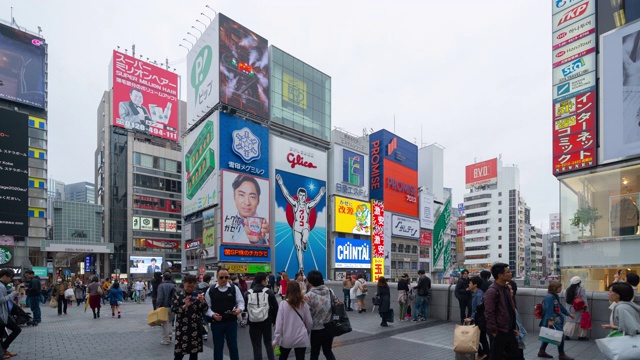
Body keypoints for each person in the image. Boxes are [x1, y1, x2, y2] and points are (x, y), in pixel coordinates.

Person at [275, 174, 326, 274]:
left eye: (303, 195)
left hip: (305, 227)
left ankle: (305, 242)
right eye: (300, 195)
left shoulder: (307, 205)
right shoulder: (295, 204)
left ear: (305, 197)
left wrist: (321, 193)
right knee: (298, 247)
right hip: (297, 227)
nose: (302, 197)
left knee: (305, 238)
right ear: (298, 196)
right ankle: (301, 266)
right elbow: (287, 195)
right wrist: (281, 184)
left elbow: (315, 201)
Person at [205, 268, 245, 360]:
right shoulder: (210, 290)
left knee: (233, 346)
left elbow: (241, 302)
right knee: (218, 347)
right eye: (221, 277)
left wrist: (239, 310)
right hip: (216, 323)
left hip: (231, 322)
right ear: (217, 277)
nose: (224, 279)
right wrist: (213, 315)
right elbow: (207, 307)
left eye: (226, 277)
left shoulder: (234, 288)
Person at [484, 263, 519, 360]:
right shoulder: (492, 291)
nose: (510, 273)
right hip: (499, 331)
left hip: (508, 330)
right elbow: (489, 312)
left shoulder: (506, 289)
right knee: (496, 356)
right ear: (500, 275)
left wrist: (513, 327)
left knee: (515, 355)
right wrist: (494, 330)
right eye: (508, 272)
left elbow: (509, 310)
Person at [171, 274, 208, 360]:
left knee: (194, 354)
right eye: (188, 286)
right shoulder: (177, 294)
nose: (190, 288)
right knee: (179, 353)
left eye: (192, 286)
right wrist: (185, 306)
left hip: (195, 327)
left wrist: (202, 301)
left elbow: (205, 309)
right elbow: (174, 309)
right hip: (182, 327)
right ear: (184, 283)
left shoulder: (198, 294)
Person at [273, 280, 313, 360]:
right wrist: (306, 332)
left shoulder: (283, 304)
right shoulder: (303, 304)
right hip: (301, 338)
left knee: (283, 357)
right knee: (300, 358)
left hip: (286, 339)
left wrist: (276, 340)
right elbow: (309, 322)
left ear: (288, 290)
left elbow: (279, 324)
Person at [227, 175, 270, 245]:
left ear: (258, 200)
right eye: (241, 195)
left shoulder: (266, 227)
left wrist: (259, 241)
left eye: (252, 197)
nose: (247, 202)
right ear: (234, 197)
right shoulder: (227, 223)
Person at [245, 272, 278, 360]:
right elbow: (275, 308)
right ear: (263, 281)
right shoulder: (269, 292)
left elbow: (245, 308)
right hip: (266, 321)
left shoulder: (248, 293)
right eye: (266, 279)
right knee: (268, 343)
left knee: (256, 346)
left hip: (253, 322)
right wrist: (274, 321)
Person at [538, 281, 575, 360]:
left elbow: (559, 306)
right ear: (555, 288)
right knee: (560, 335)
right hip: (552, 319)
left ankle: (542, 351)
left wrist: (568, 314)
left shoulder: (553, 296)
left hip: (553, 319)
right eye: (559, 287)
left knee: (547, 335)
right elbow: (549, 310)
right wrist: (550, 320)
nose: (561, 289)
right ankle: (561, 354)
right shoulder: (550, 297)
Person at [304, 270, 336, 360]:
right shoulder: (330, 291)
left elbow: (306, 314)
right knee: (328, 351)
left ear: (310, 282)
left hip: (316, 329)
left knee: (314, 353)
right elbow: (337, 304)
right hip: (329, 327)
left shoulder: (308, 296)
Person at [464, 276, 489, 360]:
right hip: (478, 320)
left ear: (475, 285)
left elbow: (479, 310)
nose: (469, 284)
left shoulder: (479, 295)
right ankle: (484, 353)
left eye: (470, 283)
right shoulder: (476, 293)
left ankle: (486, 353)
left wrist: (471, 318)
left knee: (479, 338)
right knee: (480, 338)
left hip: (479, 320)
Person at [0, 269, 20, 359]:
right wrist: (12, 294)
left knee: (15, 329)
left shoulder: (3, 285)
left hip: (4, 314)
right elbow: (1, 300)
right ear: (4, 276)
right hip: (1, 314)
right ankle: (2, 351)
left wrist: (11, 291)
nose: (10, 280)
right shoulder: (0, 286)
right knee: (15, 329)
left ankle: (3, 349)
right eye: (10, 278)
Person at [563, 276, 589, 341]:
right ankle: (581, 336)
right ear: (579, 282)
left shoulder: (568, 289)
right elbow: (584, 300)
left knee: (570, 321)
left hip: (570, 308)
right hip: (578, 308)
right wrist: (587, 309)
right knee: (579, 321)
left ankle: (567, 334)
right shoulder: (581, 289)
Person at [157, 272, 177, 345]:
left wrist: (157, 306)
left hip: (164, 307)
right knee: (170, 322)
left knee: (165, 323)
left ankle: (166, 339)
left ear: (164, 278)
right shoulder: (174, 285)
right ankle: (170, 335)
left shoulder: (161, 286)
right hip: (173, 306)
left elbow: (160, 297)